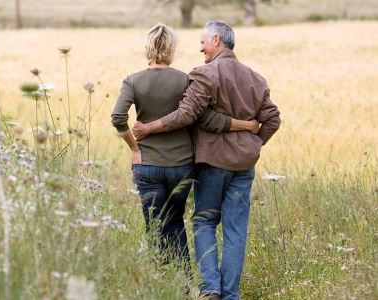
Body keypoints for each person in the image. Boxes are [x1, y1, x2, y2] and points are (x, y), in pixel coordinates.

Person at [132, 21, 281, 300]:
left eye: (202, 41)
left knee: (204, 221)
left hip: (213, 163)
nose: (200, 47)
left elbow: (189, 115)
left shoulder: (204, 74)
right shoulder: (256, 78)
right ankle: (230, 295)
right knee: (236, 230)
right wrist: (253, 142)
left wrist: (150, 127)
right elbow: (272, 119)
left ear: (216, 40)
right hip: (244, 166)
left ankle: (210, 288)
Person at [111, 23, 258, 266]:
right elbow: (200, 117)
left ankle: (160, 281)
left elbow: (118, 118)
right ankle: (185, 283)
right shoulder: (185, 80)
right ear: (172, 49)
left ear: (147, 48)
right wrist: (246, 126)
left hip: (147, 164)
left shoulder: (133, 81)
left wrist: (135, 149)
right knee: (176, 222)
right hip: (181, 166)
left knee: (155, 226)